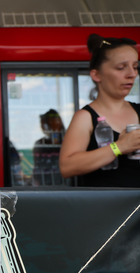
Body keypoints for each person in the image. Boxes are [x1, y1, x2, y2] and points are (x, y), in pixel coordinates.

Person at [59, 34, 140, 187]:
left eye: (135, 67)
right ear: (96, 75)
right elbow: (66, 167)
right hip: (105, 208)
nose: (132, 74)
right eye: (121, 67)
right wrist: (119, 147)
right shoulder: (85, 117)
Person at [32, 109, 65, 186]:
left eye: (44, 124)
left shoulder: (68, 141)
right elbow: (37, 166)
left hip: (63, 184)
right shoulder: (40, 143)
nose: (42, 127)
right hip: (44, 184)